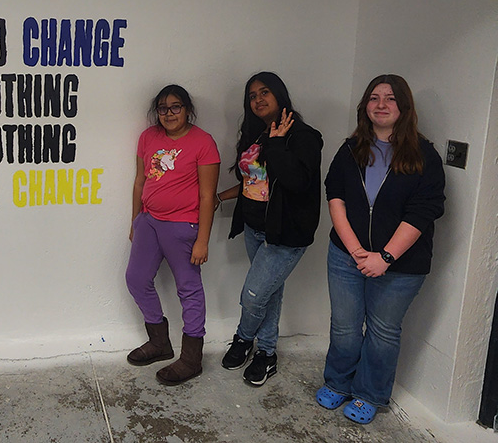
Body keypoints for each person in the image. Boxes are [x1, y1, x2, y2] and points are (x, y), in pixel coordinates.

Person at [315, 74, 444, 424]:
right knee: (344, 326)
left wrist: (385, 257)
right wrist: (356, 250)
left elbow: (424, 211)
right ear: (365, 106)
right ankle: (338, 383)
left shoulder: (424, 155)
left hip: (401, 266)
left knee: (383, 331)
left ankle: (369, 393)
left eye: (390, 98)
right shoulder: (350, 148)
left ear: (403, 107)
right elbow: (335, 195)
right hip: (346, 257)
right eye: (374, 98)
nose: (382, 105)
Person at [216, 72, 323, 386]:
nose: (258, 99)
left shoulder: (304, 135)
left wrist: (276, 144)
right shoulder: (255, 133)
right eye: (252, 95)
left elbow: (297, 182)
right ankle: (266, 353)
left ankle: (243, 337)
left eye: (265, 92)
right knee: (269, 294)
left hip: (284, 234)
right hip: (254, 228)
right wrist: (219, 197)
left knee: (252, 296)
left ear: (280, 95)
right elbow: (254, 180)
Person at [125, 84, 220, 386]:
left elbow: (208, 196)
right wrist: (135, 220)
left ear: (188, 109)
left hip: (183, 227)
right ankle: (159, 343)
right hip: (149, 222)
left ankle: (191, 359)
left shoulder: (203, 142)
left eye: (175, 107)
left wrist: (203, 239)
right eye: (163, 108)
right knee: (136, 279)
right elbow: (140, 181)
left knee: (188, 290)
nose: (169, 113)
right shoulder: (147, 137)